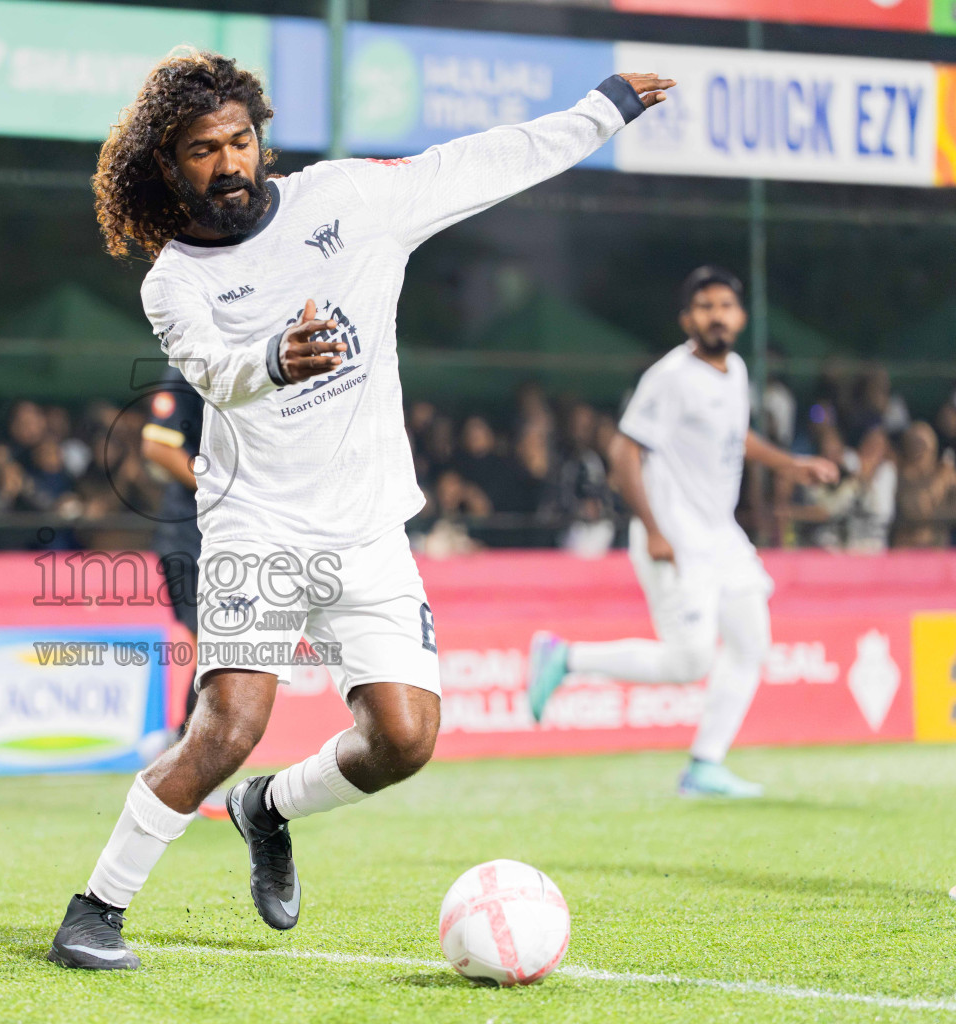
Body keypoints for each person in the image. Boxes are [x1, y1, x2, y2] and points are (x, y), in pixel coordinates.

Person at [46, 49, 673, 970]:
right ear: (167, 166)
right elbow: (212, 371)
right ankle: (94, 912)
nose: (227, 164)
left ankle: (268, 809)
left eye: (239, 140)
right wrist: (274, 360)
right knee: (227, 729)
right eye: (202, 150)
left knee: (405, 740)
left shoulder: (347, 199)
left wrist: (603, 109)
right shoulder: (172, 281)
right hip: (256, 526)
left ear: (260, 138)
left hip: (369, 527)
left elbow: (480, 162)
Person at [526, 267, 838, 799]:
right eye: (705, 306)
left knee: (750, 644)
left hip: (721, 536)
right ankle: (565, 657)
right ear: (687, 319)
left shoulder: (735, 371)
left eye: (725, 306)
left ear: (741, 317)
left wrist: (791, 465)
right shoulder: (670, 376)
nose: (717, 315)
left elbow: (735, 435)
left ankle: (705, 766)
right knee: (690, 661)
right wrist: (653, 529)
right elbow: (624, 451)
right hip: (676, 536)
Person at [141, 364, 206, 737]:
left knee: (226, 649)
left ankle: (184, 745)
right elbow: (158, 446)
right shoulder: (189, 366)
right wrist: (224, 490)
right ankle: (187, 747)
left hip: (237, 533)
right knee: (217, 647)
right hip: (189, 536)